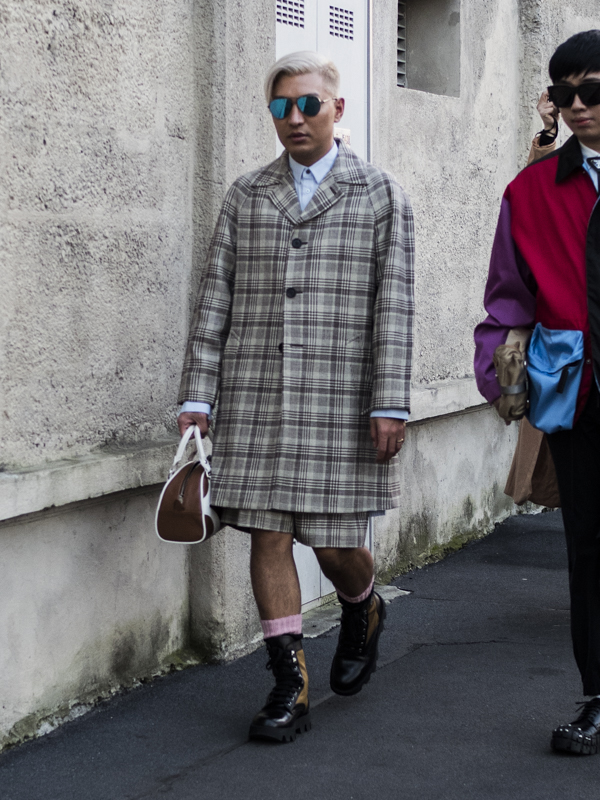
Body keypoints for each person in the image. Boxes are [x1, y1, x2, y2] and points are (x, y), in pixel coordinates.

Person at [177, 51, 414, 743]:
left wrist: (389, 402)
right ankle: (289, 684)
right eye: (282, 107)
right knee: (268, 533)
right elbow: (214, 299)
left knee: (337, 541)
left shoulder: (380, 194)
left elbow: (393, 306)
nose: (295, 118)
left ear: (337, 110)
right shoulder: (246, 194)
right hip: (255, 392)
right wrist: (197, 395)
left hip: (344, 398)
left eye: (308, 104)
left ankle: (362, 604)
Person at [474, 30, 600, 755]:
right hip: (578, 395)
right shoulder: (530, 191)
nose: (579, 106)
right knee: (588, 548)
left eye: (593, 91)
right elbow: (508, 295)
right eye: (565, 93)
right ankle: (598, 695)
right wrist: (499, 371)